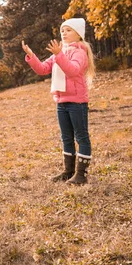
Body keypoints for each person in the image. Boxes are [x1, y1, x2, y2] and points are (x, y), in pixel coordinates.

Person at [22, 18, 96, 185]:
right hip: (61, 102)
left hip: (76, 102)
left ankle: (81, 175)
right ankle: (68, 171)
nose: (64, 33)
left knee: (81, 136)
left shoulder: (80, 52)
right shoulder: (60, 52)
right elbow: (42, 69)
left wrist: (58, 54)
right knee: (66, 138)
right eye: (63, 30)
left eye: (69, 30)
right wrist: (31, 55)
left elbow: (72, 71)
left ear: (79, 34)